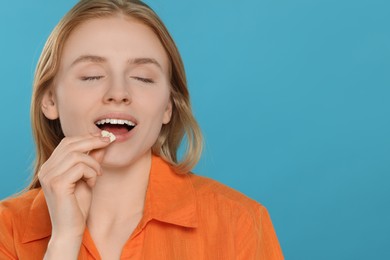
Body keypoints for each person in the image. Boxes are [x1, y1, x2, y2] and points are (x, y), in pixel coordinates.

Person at [0, 0, 284, 259]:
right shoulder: (7, 229)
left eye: (142, 78)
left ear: (167, 108)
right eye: (91, 76)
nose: (119, 92)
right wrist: (63, 241)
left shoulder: (240, 221)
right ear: (50, 100)